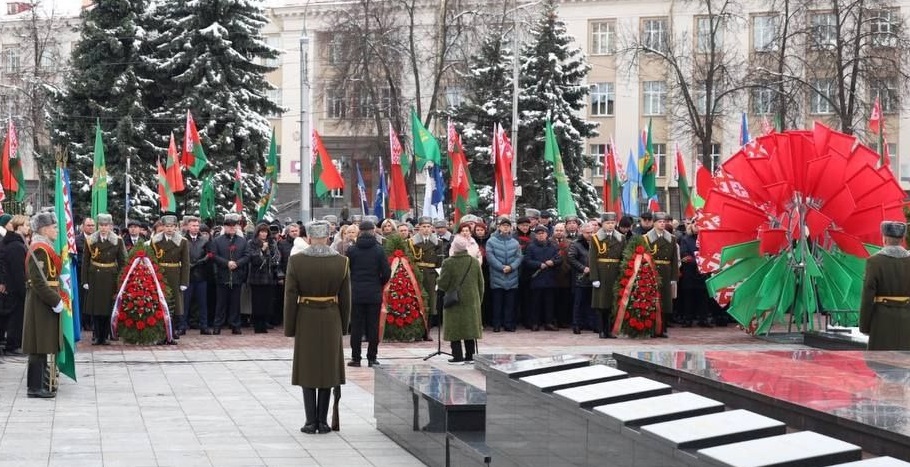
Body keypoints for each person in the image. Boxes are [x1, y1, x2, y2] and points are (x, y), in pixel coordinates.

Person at [284, 220, 351, 434]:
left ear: (309, 238)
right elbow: (346, 297)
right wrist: (344, 325)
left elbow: (290, 296)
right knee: (327, 369)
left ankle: (310, 421)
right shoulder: (342, 262)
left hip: (306, 317)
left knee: (308, 368)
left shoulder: (296, 261)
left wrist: (290, 327)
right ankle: (322, 422)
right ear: (328, 237)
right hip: (331, 317)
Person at [23, 212, 64, 398]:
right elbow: (38, 281)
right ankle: (34, 387)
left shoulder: (45, 247)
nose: (56, 231)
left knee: (42, 344)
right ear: (44, 229)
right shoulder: (39, 249)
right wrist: (55, 300)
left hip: (45, 301)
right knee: (37, 345)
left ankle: (40, 383)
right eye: (54, 227)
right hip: (41, 302)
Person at [346, 221, 390, 368]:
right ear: (372, 231)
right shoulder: (379, 250)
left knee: (356, 327)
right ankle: (372, 358)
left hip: (356, 292)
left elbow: (347, 271)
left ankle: (356, 358)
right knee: (373, 326)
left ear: (360, 232)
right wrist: (380, 283)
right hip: (373, 292)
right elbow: (386, 272)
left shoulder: (352, 250)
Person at [860, 221, 910, 350]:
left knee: (881, 363)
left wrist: (865, 326)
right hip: (907, 320)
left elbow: (867, 296)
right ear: (902, 239)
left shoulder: (874, 262)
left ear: (884, 239)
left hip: (882, 321)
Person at [82, 213, 128, 345]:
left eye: (106, 225)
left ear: (110, 226)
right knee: (96, 309)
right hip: (95, 276)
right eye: (101, 225)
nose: (103, 228)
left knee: (108, 308)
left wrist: (121, 280)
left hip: (110, 276)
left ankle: (106, 335)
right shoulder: (91, 240)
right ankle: (97, 335)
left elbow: (122, 261)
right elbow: (85, 261)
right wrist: (85, 280)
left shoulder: (117, 240)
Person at [438, 235, 484, 365]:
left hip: (454, 301)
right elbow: (481, 283)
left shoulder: (448, 262)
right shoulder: (474, 262)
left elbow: (443, 284)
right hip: (472, 301)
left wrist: (438, 280)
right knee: (469, 329)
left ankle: (457, 356)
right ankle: (470, 356)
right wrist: (478, 300)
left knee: (455, 329)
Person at [151, 215, 190, 342]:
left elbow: (185, 263)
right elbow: (152, 260)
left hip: (175, 275)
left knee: (173, 306)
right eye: (167, 226)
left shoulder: (182, 241)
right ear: (162, 227)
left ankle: (171, 334)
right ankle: (160, 334)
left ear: (176, 227)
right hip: (160, 273)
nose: (169, 229)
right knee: (160, 304)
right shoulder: (155, 241)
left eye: (172, 226)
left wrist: (184, 281)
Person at [211, 213, 250, 335]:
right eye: (229, 226)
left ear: (237, 227)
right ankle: (218, 325)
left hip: (237, 275)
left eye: (234, 226)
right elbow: (213, 255)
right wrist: (227, 263)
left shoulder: (243, 241)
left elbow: (247, 255)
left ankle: (235, 325)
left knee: (235, 303)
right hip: (222, 275)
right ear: (225, 227)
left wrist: (237, 263)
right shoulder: (217, 241)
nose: (231, 228)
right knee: (220, 303)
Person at [589, 212, 625, 338]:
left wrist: (624, 275)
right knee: (601, 303)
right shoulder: (596, 238)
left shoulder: (620, 238)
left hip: (615, 272)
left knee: (612, 303)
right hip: (601, 273)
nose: (610, 225)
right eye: (607, 223)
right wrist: (594, 277)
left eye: (612, 223)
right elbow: (592, 259)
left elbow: (623, 257)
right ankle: (601, 330)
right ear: (602, 224)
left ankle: (610, 329)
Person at [645, 212, 679, 338]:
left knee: (665, 301)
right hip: (652, 270)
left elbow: (674, 259)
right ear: (654, 223)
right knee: (653, 301)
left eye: (664, 222)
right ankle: (653, 328)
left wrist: (674, 277)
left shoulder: (671, 238)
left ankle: (663, 328)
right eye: (660, 222)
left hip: (666, 270)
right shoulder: (647, 238)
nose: (662, 224)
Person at [485, 217, 522, 332]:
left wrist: (511, 267)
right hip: (497, 276)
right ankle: (497, 324)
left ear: (511, 228)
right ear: (499, 227)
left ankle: (508, 324)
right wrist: (501, 267)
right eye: (503, 226)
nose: (505, 228)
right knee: (497, 303)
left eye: (508, 226)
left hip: (512, 276)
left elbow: (519, 257)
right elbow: (490, 257)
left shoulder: (515, 242)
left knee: (510, 303)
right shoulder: (491, 241)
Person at [0, 215, 29, 354]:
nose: (28, 228)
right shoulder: (16, 246)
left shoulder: (17, 243)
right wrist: (23, 290)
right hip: (15, 288)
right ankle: (12, 344)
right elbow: (18, 271)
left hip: (13, 286)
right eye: (26, 225)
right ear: (18, 227)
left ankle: (14, 343)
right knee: (15, 317)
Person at [523, 225, 561, 331]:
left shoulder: (553, 246)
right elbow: (527, 260)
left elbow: (559, 259)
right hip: (536, 279)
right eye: (538, 233)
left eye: (543, 233)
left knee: (549, 303)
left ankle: (549, 322)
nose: (541, 235)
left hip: (550, 279)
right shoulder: (530, 246)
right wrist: (539, 264)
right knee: (535, 303)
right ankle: (535, 323)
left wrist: (552, 262)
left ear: (547, 234)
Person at [409, 217, 441, 334]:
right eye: (423, 227)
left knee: (431, 301)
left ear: (432, 228)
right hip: (418, 273)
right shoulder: (412, 242)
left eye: (428, 227)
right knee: (417, 300)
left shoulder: (438, 242)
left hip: (432, 274)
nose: (426, 229)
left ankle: (427, 329)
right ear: (419, 228)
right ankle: (417, 327)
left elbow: (440, 261)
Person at [248, 223, 281, 333]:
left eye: (265, 232)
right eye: (261, 232)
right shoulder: (252, 243)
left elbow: (276, 257)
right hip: (257, 277)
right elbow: (254, 259)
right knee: (257, 302)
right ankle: (257, 325)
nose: (264, 234)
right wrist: (262, 250)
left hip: (269, 277)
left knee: (267, 302)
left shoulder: (272, 243)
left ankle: (264, 323)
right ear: (257, 233)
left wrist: (272, 256)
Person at [678, 222, 711, 327]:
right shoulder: (685, 239)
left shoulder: (705, 238)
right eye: (695, 225)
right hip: (689, 272)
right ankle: (688, 319)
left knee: (703, 297)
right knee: (689, 297)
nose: (697, 227)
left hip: (703, 272)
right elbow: (684, 254)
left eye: (700, 225)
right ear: (691, 226)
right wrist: (697, 261)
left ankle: (703, 319)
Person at [183, 216, 212, 334]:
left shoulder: (204, 240)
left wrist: (200, 262)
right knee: (185, 303)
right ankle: (182, 326)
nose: (195, 228)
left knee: (202, 303)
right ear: (188, 227)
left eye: (197, 225)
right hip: (187, 276)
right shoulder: (183, 240)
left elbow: (209, 255)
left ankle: (204, 326)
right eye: (193, 225)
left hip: (201, 275)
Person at [567, 222, 595, 334]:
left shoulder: (596, 243)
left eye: (592, 232)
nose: (590, 235)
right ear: (582, 232)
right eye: (588, 233)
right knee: (579, 303)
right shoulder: (576, 244)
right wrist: (582, 268)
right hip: (580, 278)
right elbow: (571, 258)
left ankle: (591, 324)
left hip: (593, 278)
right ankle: (577, 324)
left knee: (591, 303)